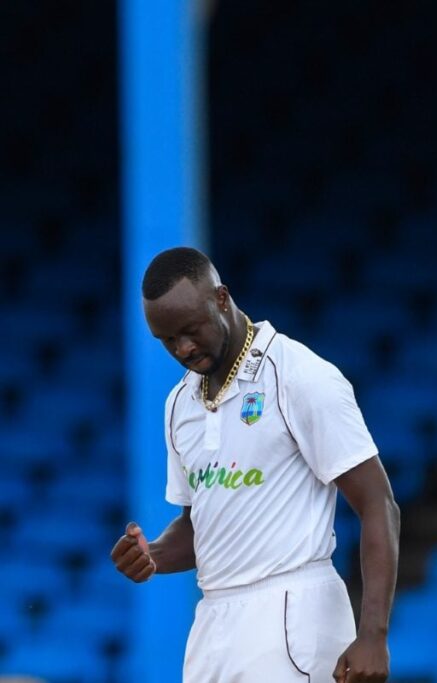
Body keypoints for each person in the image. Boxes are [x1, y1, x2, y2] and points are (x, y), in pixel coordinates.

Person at [110, 247, 400, 683]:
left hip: (292, 613)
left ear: (221, 298)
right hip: (213, 622)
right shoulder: (179, 405)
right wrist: (151, 554)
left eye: (191, 330)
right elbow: (198, 527)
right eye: (167, 340)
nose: (183, 348)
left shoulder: (298, 375)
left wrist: (373, 634)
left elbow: (379, 505)